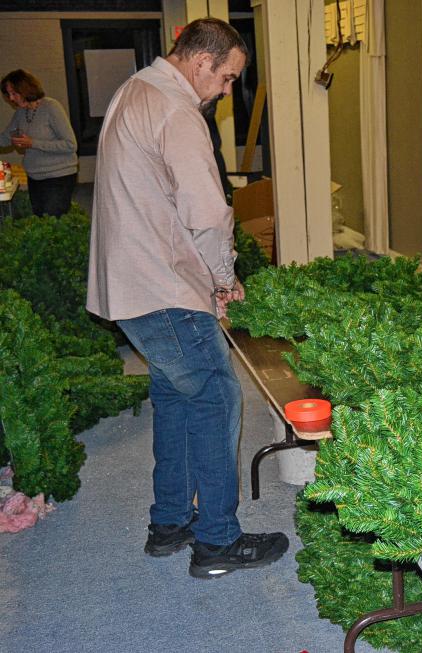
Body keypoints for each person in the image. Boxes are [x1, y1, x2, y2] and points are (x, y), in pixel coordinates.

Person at [86, 17, 288, 579]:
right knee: (217, 399)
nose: (226, 93)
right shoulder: (177, 111)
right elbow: (205, 213)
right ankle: (217, 542)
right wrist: (223, 280)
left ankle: (170, 523)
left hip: (131, 283)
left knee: (177, 399)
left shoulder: (134, 90)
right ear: (202, 62)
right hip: (160, 286)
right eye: (226, 79)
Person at [0, 69, 78, 217]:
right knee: (41, 219)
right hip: (35, 177)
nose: (11, 98)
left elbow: (70, 145)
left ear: (25, 89)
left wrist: (32, 143)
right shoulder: (20, 113)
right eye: (8, 94)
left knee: (52, 224)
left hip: (59, 177)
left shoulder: (51, 107)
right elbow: (5, 138)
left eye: (14, 93)